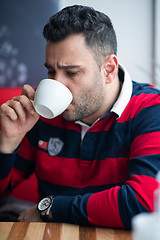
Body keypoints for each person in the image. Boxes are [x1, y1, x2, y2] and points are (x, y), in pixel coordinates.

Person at [0, 5, 160, 229]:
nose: (56, 83)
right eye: (50, 71)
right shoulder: (40, 111)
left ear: (108, 69)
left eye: (71, 72)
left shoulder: (150, 109)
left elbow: (144, 202)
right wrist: (7, 142)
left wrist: (50, 208)